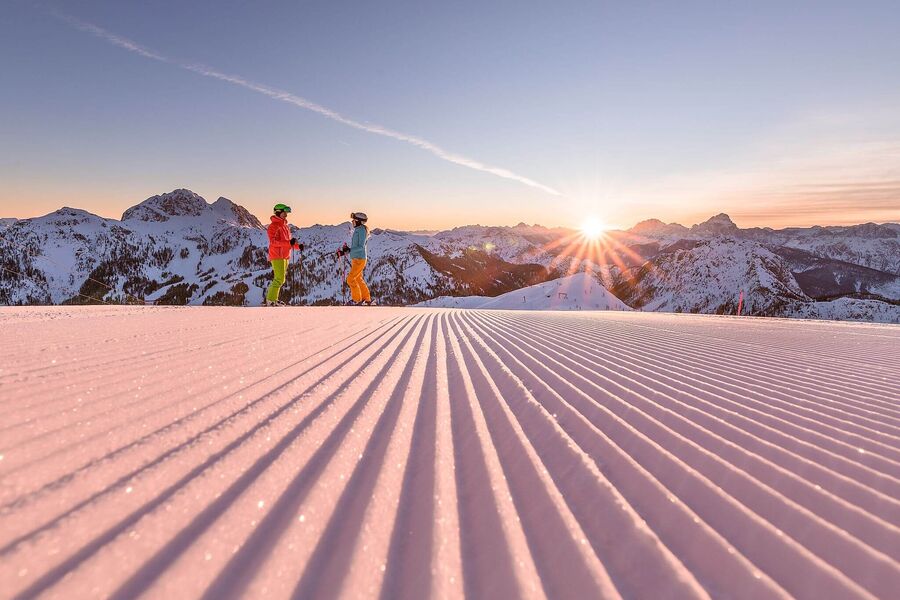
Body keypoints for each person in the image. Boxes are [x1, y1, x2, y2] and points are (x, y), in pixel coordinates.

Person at [266, 203, 304, 306]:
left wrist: (297, 246)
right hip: (277, 255)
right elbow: (273, 242)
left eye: (286, 213)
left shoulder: (285, 227)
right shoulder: (273, 226)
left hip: (285, 255)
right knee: (279, 279)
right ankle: (270, 300)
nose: (286, 215)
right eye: (284, 213)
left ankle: (274, 299)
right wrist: (288, 243)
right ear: (278, 212)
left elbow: (288, 242)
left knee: (281, 279)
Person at [337, 211, 373, 305]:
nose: (352, 222)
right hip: (357, 258)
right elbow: (357, 247)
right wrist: (346, 251)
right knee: (358, 279)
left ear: (358, 221)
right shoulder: (359, 230)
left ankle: (357, 300)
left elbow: (360, 246)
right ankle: (367, 299)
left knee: (350, 279)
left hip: (359, 259)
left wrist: (349, 250)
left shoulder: (361, 230)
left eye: (354, 220)